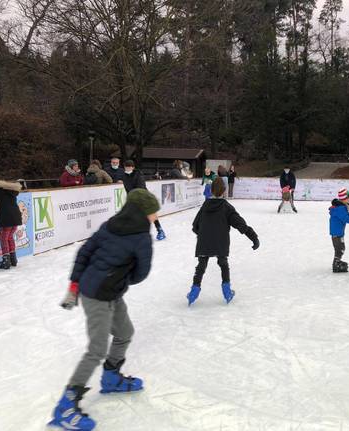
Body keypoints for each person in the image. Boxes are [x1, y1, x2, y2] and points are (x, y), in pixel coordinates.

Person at [50, 189, 160, 431]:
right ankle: (65, 407)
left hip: (107, 291)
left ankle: (111, 378)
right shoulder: (142, 236)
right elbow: (142, 273)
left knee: (124, 332)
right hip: (97, 296)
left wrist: (76, 283)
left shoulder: (110, 224)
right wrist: (119, 278)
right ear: (143, 212)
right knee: (97, 349)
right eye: (153, 213)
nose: (155, 217)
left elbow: (84, 252)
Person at [187, 178, 259, 306]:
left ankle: (194, 291)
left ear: (211, 191)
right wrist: (253, 237)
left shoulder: (205, 206)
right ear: (224, 191)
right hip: (221, 241)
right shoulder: (226, 207)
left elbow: (195, 226)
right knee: (223, 263)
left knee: (201, 265)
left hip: (204, 241)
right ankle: (227, 291)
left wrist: (204, 234)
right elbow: (240, 224)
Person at [123, 160, 166, 241]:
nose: (127, 168)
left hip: (143, 196)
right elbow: (127, 188)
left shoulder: (138, 175)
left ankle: (160, 230)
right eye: (126, 167)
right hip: (133, 198)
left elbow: (141, 187)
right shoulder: (124, 176)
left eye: (129, 167)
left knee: (151, 213)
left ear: (133, 167)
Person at [329, 188, 349, 273]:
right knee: (339, 249)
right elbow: (345, 218)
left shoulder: (341, 207)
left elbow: (346, 214)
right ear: (344, 199)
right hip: (337, 233)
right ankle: (336, 265)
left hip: (338, 232)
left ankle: (337, 262)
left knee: (341, 248)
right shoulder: (340, 208)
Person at [0, 179, 22, 270]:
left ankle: (6, 261)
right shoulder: (11, 190)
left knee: (4, 238)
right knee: (10, 237)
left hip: (6, 217)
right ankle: (13, 259)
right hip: (16, 216)